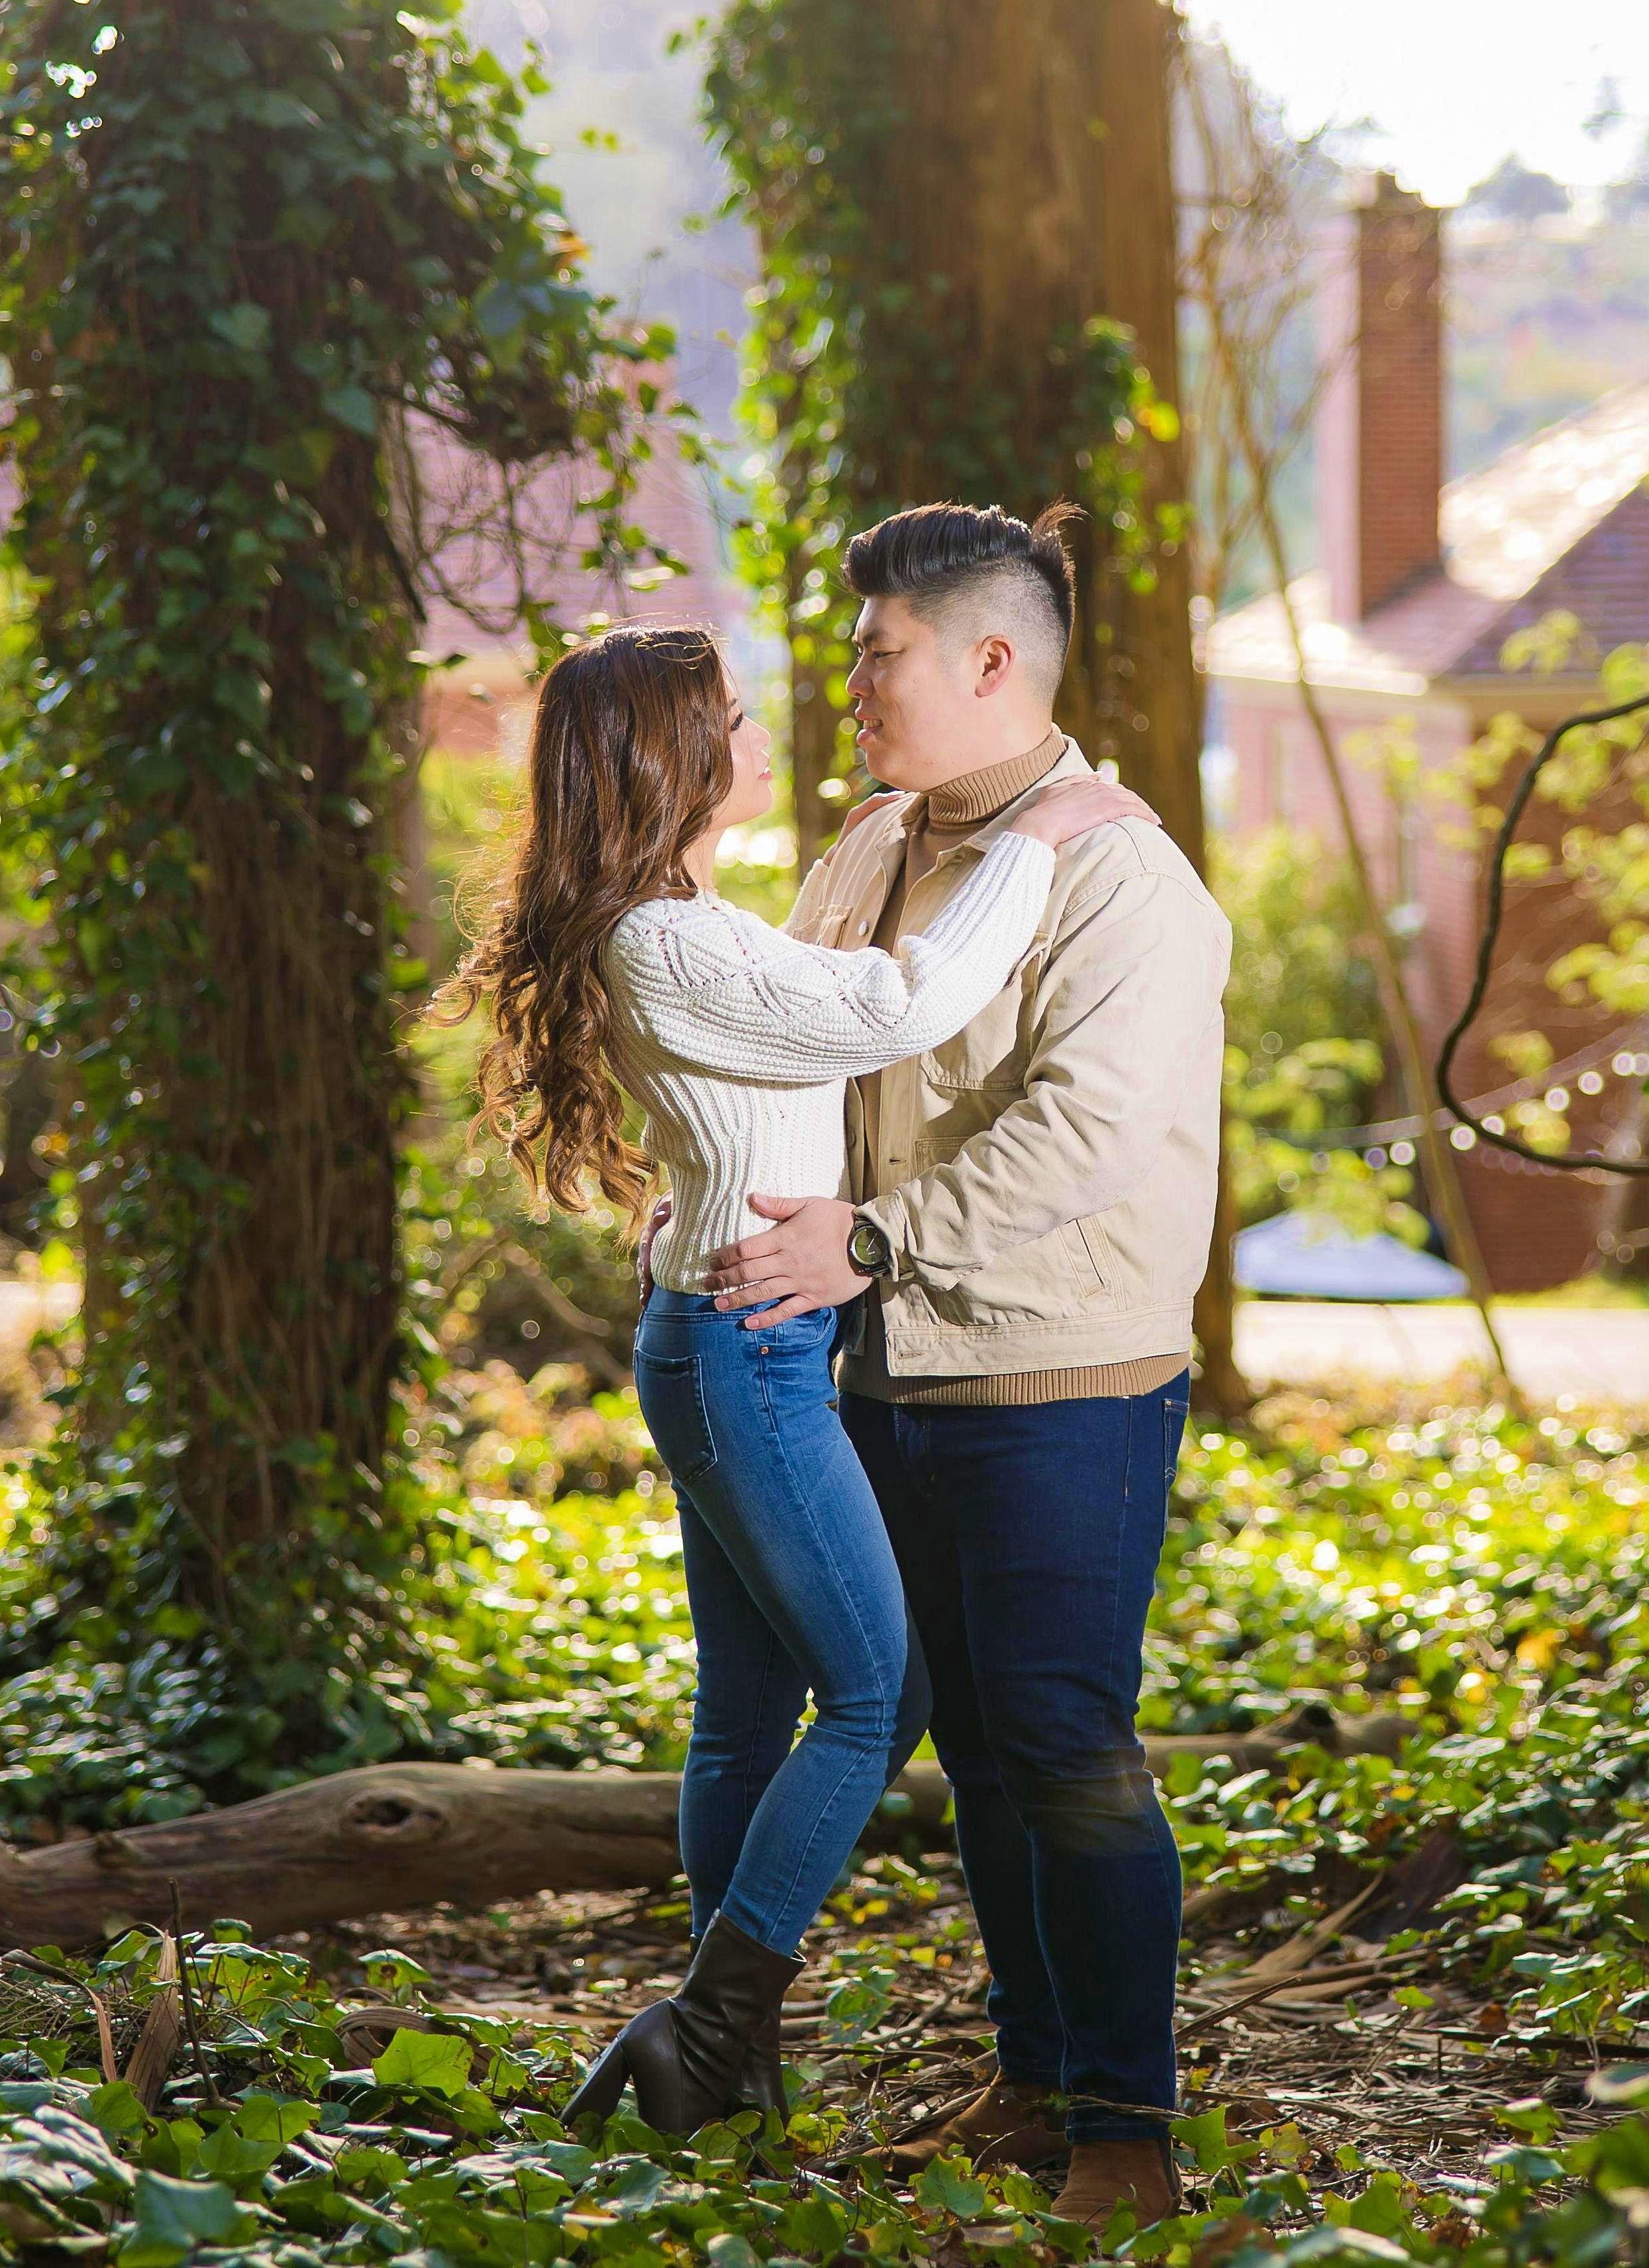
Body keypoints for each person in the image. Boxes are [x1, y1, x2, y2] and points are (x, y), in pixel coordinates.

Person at [452, 622, 1154, 2138]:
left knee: (744, 1713)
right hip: (749, 1356)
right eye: (735, 715)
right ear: (674, 752)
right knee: (876, 1694)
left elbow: (771, 1066)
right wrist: (1035, 839)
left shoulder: (688, 919)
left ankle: (725, 2063)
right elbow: (894, 1006)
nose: (766, 732)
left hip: (725, 1333)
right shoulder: (668, 935)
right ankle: (710, 2028)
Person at [703, 504, 1231, 2230]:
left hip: (1060, 1381)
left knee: (1066, 1737)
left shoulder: (1122, 878)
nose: (852, 684)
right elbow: (792, 1040)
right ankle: (1034, 2074)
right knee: (979, 1754)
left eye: (880, 654)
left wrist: (867, 1237)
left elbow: (1087, 1130)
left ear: (991, 660)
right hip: (875, 1375)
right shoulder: (869, 847)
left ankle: (1127, 2131)